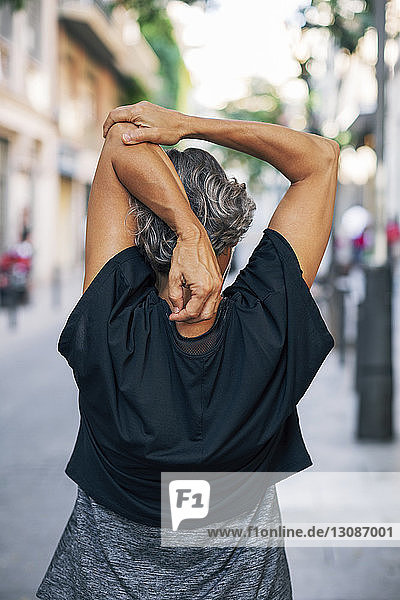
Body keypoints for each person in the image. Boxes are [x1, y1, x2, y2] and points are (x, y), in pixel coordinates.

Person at [35, 101, 339, 600]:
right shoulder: (269, 323)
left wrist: (186, 230)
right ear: (231, 240)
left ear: (143, 233)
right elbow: (320, 160)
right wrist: (191, 126)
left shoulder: (112, 327)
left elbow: (121, 140)